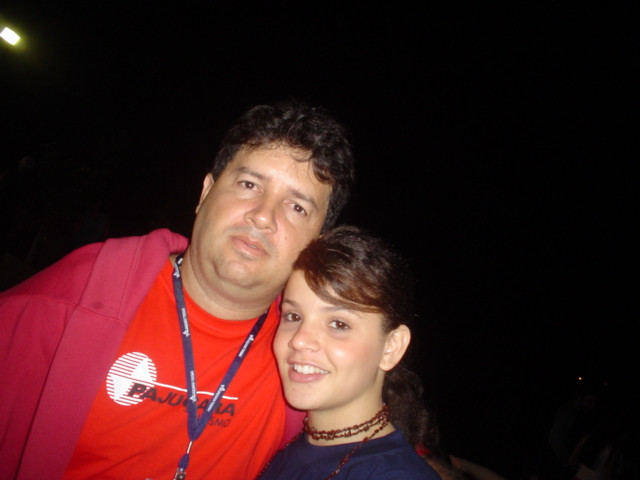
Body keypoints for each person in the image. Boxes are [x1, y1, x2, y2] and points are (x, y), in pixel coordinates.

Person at [0, 100, 355, 480]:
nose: (263, 216)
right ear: (205, 193)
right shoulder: (61, 305)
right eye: (249, 185)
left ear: (318, 243)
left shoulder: (313, 361)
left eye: (297, 207)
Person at [258, 225, 442, 479]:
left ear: (391, 347)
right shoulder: (290, 449)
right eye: (293, 316)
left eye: (338, 324)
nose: (299, 340)